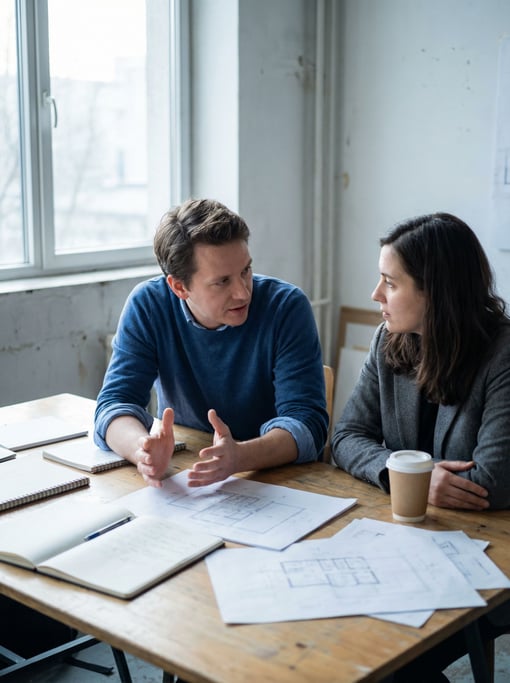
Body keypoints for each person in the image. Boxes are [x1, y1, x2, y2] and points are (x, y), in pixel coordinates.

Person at [331, 211, 510, 682]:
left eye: (390, 282)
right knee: (341, 639)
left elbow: (491, 482)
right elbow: (346, 437)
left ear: (436, 291)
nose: (375, 295)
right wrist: (404, 477)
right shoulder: (389, 341)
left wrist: (423, 485)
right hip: (404, 543)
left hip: (487, 553)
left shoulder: (502, 354)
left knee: (385, 662)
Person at [94, 197, 328, 489]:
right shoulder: (148, 305)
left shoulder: (286, 307)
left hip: (278, 483)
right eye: (223, 281)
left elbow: (308, 425)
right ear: (179, 286)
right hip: (187, 477)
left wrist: (239, 456)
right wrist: (141, 449)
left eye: (246, 271)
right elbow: (114, 404)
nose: (243, 293)